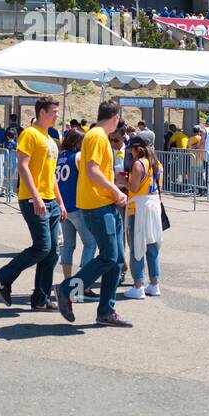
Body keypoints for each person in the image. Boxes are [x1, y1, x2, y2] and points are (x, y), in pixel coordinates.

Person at [53, 100, 132, 328]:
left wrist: (116, 183)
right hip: (98, 205)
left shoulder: (95, 136)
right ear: (116, 118)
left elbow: (95, 172)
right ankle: (66, 289)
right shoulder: (98, 136)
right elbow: (92, 170)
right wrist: (116, 189)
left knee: (116, 261)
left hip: (103, 204)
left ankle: (106, 310)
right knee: (108, 257)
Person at [0, 97, 64, 311]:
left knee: (52, 252)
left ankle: (40, 298)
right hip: (33, 198)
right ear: (42, 112)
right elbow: (23, 166)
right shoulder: (29, 134)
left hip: (50, 200)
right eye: (53, 111)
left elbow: (51, 175)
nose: (56, 115)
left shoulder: (50, 138)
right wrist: (35, 196)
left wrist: (60, 202)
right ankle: (4, 276)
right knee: (42, 247)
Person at [123, 132, 164, 299]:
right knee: (153, 246)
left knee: (137, 246)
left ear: (137, 149)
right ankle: (154, 284)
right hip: (154, 206)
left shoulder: (139, 164)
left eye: (131, 149)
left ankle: (138, 285)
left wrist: (121, 182)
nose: (130, 152)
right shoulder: (158, 164)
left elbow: (133, 188)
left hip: (139, 207)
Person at [55, 128, 87, 286]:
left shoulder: (59, 156)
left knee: (68, 244)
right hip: (76, 204)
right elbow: (87, 178)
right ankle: (83, 283)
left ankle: (67, 280)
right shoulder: (78, 156)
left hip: (62, 205)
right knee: (90, 242)